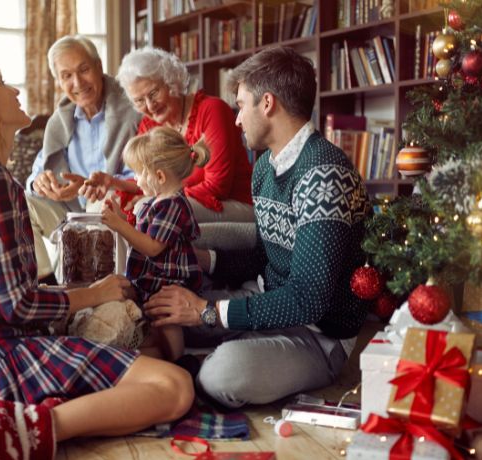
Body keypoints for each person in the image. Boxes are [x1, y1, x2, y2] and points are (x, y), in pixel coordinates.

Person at [0, 60, 193, 454]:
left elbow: (11, 299)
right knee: (175, 386)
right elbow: (20, 304)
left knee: (144, 354)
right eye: (2, 83)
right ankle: (24, 428)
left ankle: (31, 417)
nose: (14, 90)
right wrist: (96, 293)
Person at [143, 47, 372, 409]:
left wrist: (205, 311)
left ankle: (203, 367)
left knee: (223, 374)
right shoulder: (266, 166)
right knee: (162, 317)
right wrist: (204, 260)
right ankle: (204, 360)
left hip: (318, 335)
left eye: (240, 105)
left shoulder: (324, 174)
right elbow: (265, 255)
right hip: (264, 298)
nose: (236, 120)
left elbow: (308, 299)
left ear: (267, 104)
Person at [81, 46, 253, 224]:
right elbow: (148, 179)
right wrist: (113, 182)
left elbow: (217, 187)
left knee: (149, 208)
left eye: (153, 93)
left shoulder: (212, 110)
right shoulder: (150, 125)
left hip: (231, 204)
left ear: (171, 81)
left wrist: (157, 198)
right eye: (139, 100)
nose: (150, 105)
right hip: (181, 199)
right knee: (104, 203)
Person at [25, 35, 142, 283]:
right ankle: (47, 287)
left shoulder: (131, 109)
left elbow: (145, 173)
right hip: (70, 211)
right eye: (66, 76)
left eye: (84, 70)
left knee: (101, 204)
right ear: (59, 81)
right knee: (22, 203)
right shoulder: (61, 119)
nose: (77, 82)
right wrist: (40, 182)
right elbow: (39, 168)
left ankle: (99, 293)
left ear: (99, 67)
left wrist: (102, 184)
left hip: (111, 207)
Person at [101, 127, 209, 361]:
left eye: (138, 173)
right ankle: (154, 351)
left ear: (159, 176)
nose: (136, 180)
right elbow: (143, 234)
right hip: (153, 276)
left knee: (166, 319)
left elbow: (152, 247)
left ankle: (179, 360)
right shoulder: (157, 202)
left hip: (168, 279)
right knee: (153, 319)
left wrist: (121, 227)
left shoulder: (172, 205)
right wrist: (121, 219)